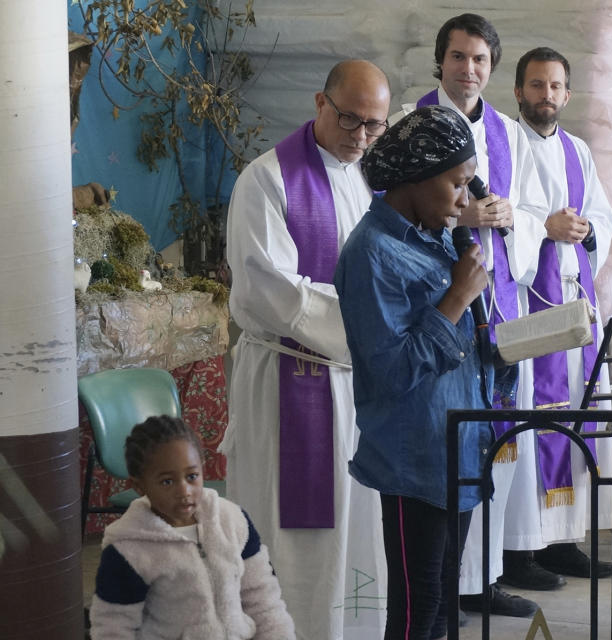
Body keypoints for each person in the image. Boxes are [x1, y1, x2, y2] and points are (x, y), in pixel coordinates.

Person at [220, 59, 391, 639]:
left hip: (355, 388)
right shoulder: (267, 180)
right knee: (286, 536)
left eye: (375, 126)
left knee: (356, 524)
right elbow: (270, 289)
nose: (360, 137)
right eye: (349, 119)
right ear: (320, 102)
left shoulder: (372, 180)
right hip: (288, 385)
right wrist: (372, 326)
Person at [400, 13, 557, 616]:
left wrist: (508, 218)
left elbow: (532, 209)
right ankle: (441, 588)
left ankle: (483, 576)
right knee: (451, 436)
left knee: (497, 445)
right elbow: (393, 205)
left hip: (500, 297)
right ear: (440, 62)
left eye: (480, 60)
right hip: (441, 294)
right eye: (459, 57)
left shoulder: (508, 134)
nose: (469, 69)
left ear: (493, 69)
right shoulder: (411, 124)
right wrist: (462, 218)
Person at [334, 105, 498, 640]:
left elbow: (463, 350)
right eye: (457, 184)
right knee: (417, 609)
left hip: (458, 447)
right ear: (415, 179)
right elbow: (391, 371)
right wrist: (455, 298)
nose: (466, 201)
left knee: (446, 603)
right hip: (414, 461)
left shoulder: (438, 239)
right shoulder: (370, 254)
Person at [499, 46, 612, 585]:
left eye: (555, 87)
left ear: (567, 94)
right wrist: (542, 227)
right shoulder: (504, 143)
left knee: (578, 415)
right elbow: (503, 216)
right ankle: (522, 548)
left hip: (575, 302)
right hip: (531, 304)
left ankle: (566, 537)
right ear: (519, 90)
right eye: (536, 85)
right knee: (534, 417)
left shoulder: (578, 150)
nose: (546, 95)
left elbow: (601, 215)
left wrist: (587, 230)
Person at [89, 415, 295, 639]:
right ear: (139, 486)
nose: (184, 491)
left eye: (192, 476)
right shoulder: (127, 551)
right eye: (167, 481)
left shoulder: (233, 521)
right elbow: (112, 629)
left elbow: (264, 601)